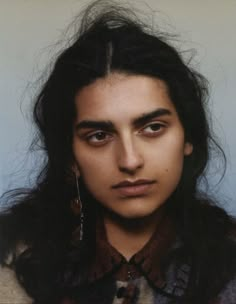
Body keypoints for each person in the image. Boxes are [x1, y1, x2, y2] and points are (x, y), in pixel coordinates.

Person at [0, 1, 235, 304]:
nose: (130, 160)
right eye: (99, 136)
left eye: (152, 128)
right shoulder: (10, 261)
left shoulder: (228, 264)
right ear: (70, 155)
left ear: (188, 137)